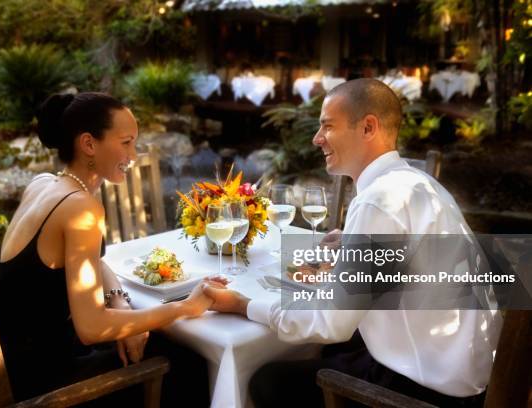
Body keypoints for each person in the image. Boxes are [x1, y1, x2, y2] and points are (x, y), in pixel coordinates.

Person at [203, 79, 501, 407]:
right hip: (469, 378)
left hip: (424, 393)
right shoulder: (420, 184)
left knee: (267, 381)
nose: (317, 139)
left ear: (368, 127)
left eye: (327, 126)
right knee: (329, 351)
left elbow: (331, 323)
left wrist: (242, 305)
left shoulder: (379, 200)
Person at [0, 92, 215, 406]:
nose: (133, 155)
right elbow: (91, 328)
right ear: (89, 144)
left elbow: (92, 263)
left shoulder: (45, 184)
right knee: (191, 360)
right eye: (126, 142)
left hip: (15, 363)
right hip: (43, 386)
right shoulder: (80, 206)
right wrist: (184, 308)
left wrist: (120, 304)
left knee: (157, 338)